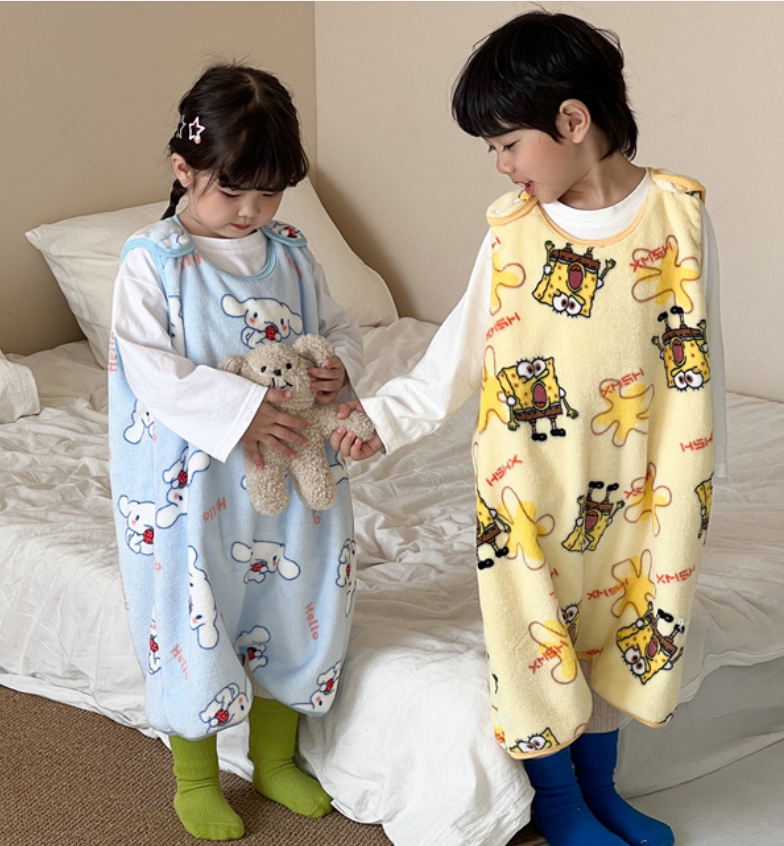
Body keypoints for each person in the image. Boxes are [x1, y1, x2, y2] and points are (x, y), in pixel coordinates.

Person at [333, 11, 726, 846]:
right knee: (536, 632)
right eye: (494, 150)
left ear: (573, 121)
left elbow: (701, 349)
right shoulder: (514, 230)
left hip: (644, 480)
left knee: (623, 621)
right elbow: (459, 351)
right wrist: (382, 419)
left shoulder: (680, 215)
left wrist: (701, 473)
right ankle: (558, 800)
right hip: (528, 483)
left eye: (508, 144)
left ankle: (599, 788)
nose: (503, 165)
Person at [108, 63, 364, 841]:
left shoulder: (291, 252)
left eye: (270, 192)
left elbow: (336, 326)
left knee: (295, 604)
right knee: (197, 612)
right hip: (195, 489)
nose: (250, 210)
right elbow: (147, 367)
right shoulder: (154, 259)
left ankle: (274, 758)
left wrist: (340, 367)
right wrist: (241, 411)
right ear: (184, 169)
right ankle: (195, 775)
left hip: (292, 482)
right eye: (232, 190)